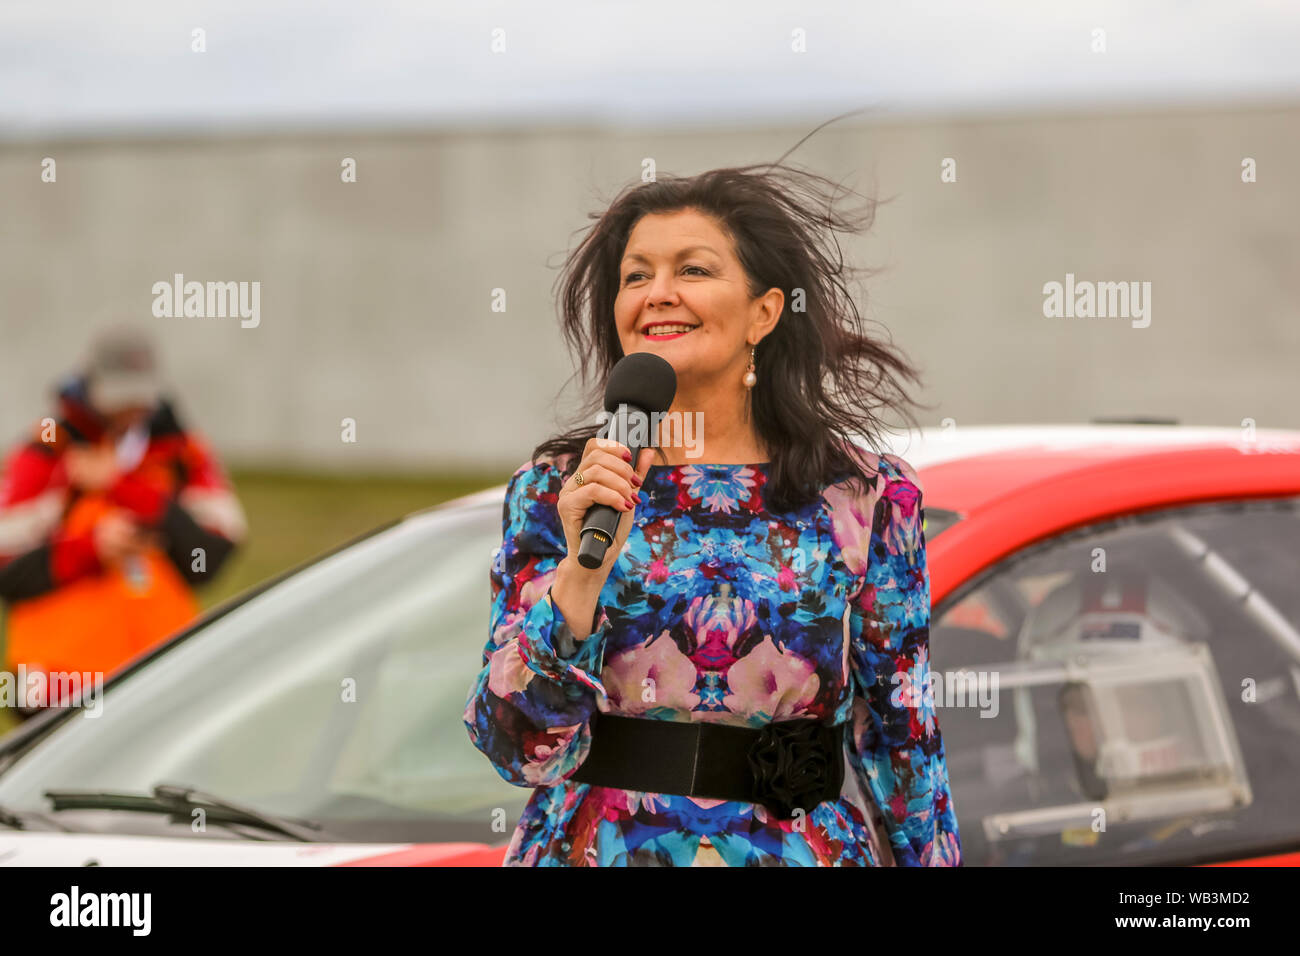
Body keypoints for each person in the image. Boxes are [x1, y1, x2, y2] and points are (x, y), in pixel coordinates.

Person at [463, 162, 963, 866]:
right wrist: (580, 576)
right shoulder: (559, 489)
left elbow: (903, 738)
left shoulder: (864, 496)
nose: (657, 294)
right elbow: (511, 743)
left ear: (764, 311)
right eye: (636, 277)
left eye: (691, 270)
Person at [0, 326, 246, 714]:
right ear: (90, 384)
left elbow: (210, 556)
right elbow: (8, 570)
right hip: (56, 685)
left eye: (139, 395)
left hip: (158, 682)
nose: (130, 407)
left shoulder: (181, 450)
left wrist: (127, 490)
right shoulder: (48, 448)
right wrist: (91, 548)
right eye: (119, 395)